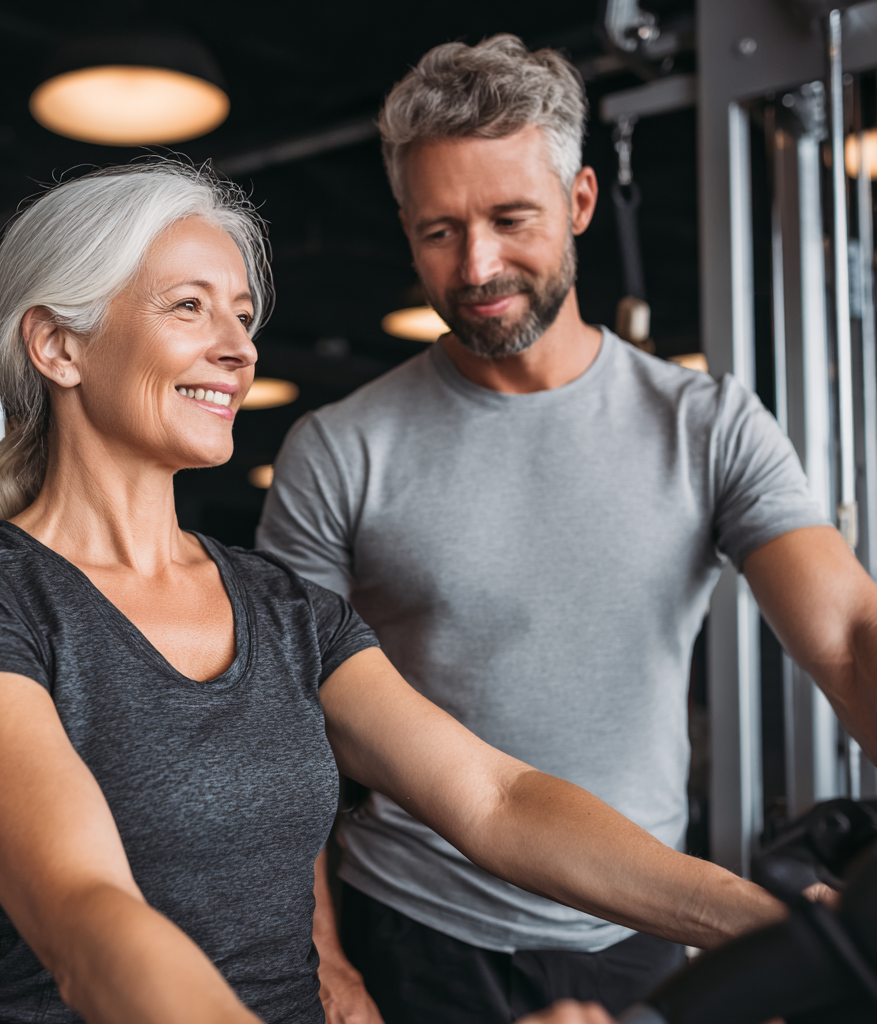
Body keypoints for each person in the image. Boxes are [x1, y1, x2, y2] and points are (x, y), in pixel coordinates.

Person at [0, 161, 790, 1024]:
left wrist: (767, 924)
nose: (238, 349)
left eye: (242, 315)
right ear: (57, 345)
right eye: (190, 308)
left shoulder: (277, 607)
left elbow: (495, 798)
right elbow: (86, 920)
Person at [256, 36, 877, 1024]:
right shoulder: (338, 450)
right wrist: (323, 955)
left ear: (580, 201)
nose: (476, 266)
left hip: (641, 926)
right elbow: (277, 737)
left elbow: (847, 633)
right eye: (438, 232)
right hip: (415, 927)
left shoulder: (705, 424)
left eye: (510, 219)